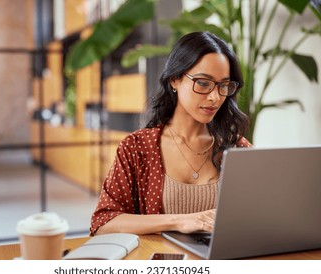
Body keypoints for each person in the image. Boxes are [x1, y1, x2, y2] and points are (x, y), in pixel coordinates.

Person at [90, 31, 252, 236]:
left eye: (223, 86)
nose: (215, 97)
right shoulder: (137, 148)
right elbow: (103, 223)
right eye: (203, 83)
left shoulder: (237, 148)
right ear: (175, 79)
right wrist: (178, 221)